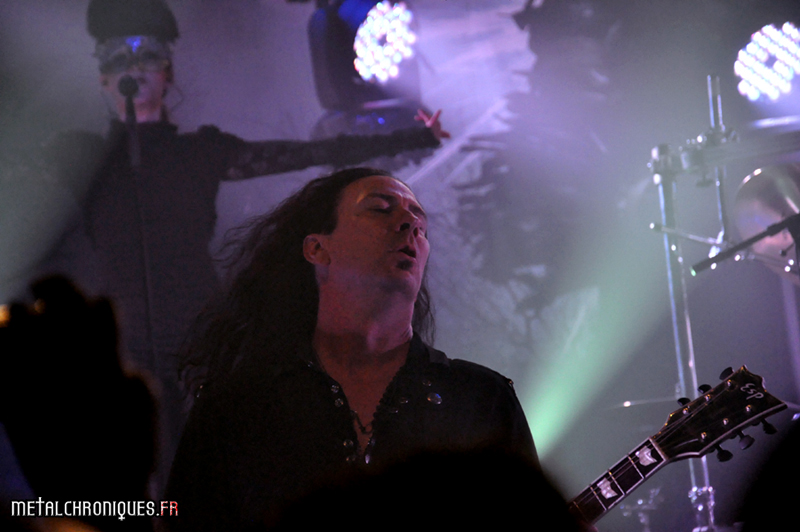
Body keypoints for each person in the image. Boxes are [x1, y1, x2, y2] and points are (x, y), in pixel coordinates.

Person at [22, 0, 449, 494]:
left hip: (194, 330)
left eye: (146, 56)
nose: (132, 70)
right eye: (118, 59)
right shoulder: (81, 157)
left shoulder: (199, 152)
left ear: (167, 72)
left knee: (204, 458)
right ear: (101, 77)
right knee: (128, 467)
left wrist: (411, 137)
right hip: (121, 339)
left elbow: (303, 154)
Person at [165, 167, 536, 531]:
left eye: (420, 224)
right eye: (380, 208)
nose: (410, 223)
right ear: (317, 249)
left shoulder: (481, 399)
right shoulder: (237, 409)